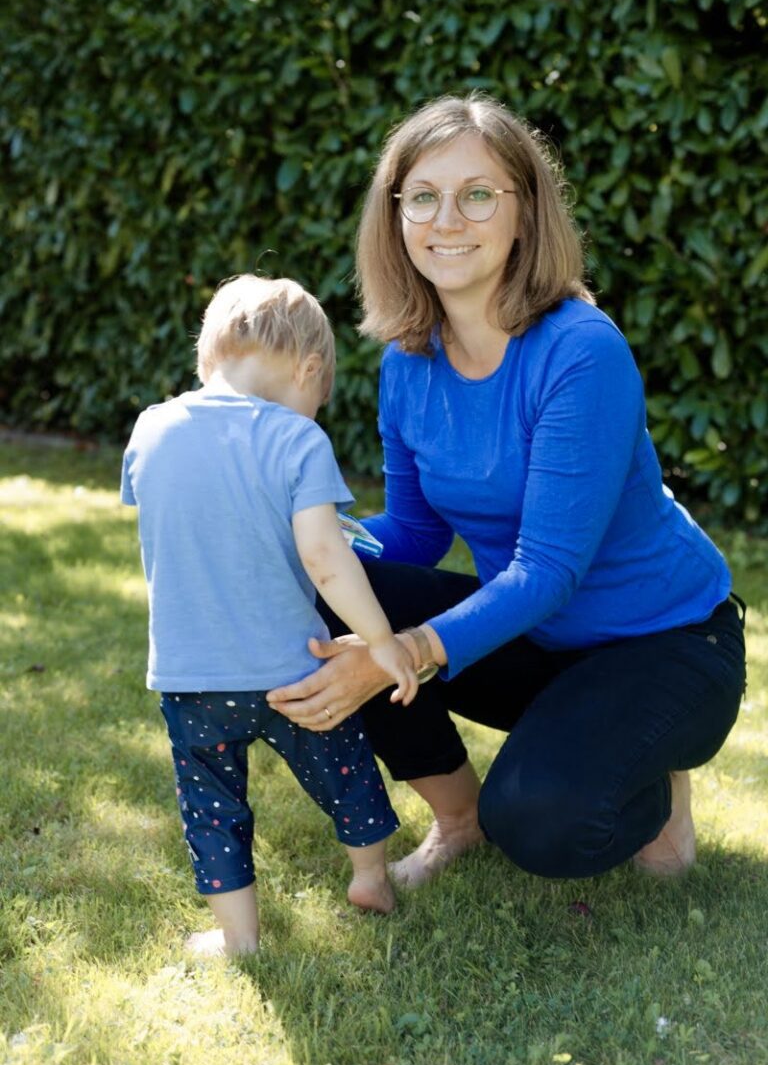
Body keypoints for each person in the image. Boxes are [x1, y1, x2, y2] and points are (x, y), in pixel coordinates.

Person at [266, 92, 747, 888]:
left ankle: (650, 770)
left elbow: (548, 570)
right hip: (539, 642)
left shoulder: (581, 351)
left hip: (667, 645)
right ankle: (458, 820)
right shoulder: (407, 362)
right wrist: (307, 539)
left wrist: (397, 655)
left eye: (477, 194)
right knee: (315, 586)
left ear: (524, 213)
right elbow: (415, 533)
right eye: (423, 197)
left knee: (541, 822)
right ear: (396, 219)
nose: (446, 219)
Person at [121, 274, 418, 957]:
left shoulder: (151, 429)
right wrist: (381, 642)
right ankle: (371, 877)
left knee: (212, 806)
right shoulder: (296, 441)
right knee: (346, 772)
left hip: (191, 678)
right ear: (310, 369)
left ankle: (239, 938)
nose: (316, 409)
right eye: (322, 396)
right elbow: (324, 559)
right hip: (295, 672)